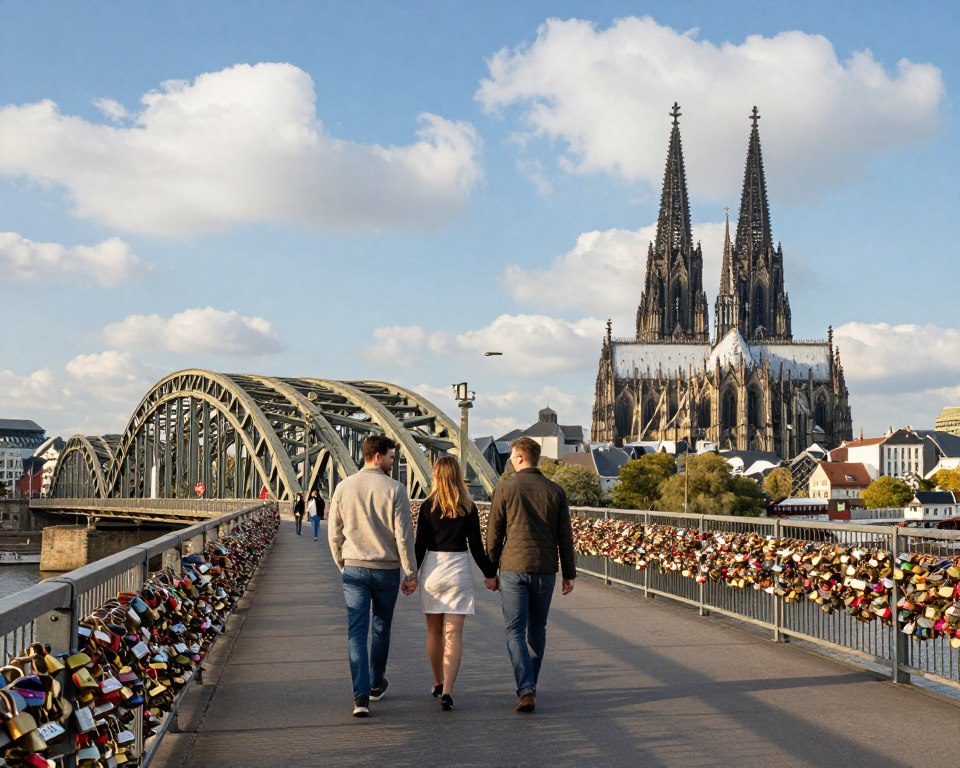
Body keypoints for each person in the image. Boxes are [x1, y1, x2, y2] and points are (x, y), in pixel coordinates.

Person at [328, 435, 418, 718]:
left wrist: (343, 563)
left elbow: (334, 533)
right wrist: (411, 572)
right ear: (377, 456)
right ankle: (377, 683)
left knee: (356, 632)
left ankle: (360, 695)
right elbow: (403, 536)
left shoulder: (343, 487)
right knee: (381, 629)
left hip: (355, 568)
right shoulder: (396, 489)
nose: (394, 462)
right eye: (391, 457)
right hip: (386, 569)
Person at [485, 436, 576, 714]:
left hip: (513, 568)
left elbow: (494, 533)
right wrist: (569, 573)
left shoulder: (505, 487)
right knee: (537, 631)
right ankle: (529, 686)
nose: (510, 460)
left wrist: (490, 571)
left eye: (513, 456)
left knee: (514, 630)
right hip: (545, 569)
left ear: (522, 457)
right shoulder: (555, 490)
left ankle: (525, 688)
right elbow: (565, 536)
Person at [415, 456, 497, 712]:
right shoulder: (468, 507)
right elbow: (476, 547)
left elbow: (419, 546)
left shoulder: (427, 507)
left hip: (433, 571)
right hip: (458, 571)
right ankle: (448, 691)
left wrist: (410, 576)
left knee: (434, 632)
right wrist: (490, 573)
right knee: (454, 634)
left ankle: (437, 681)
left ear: (436, 476)